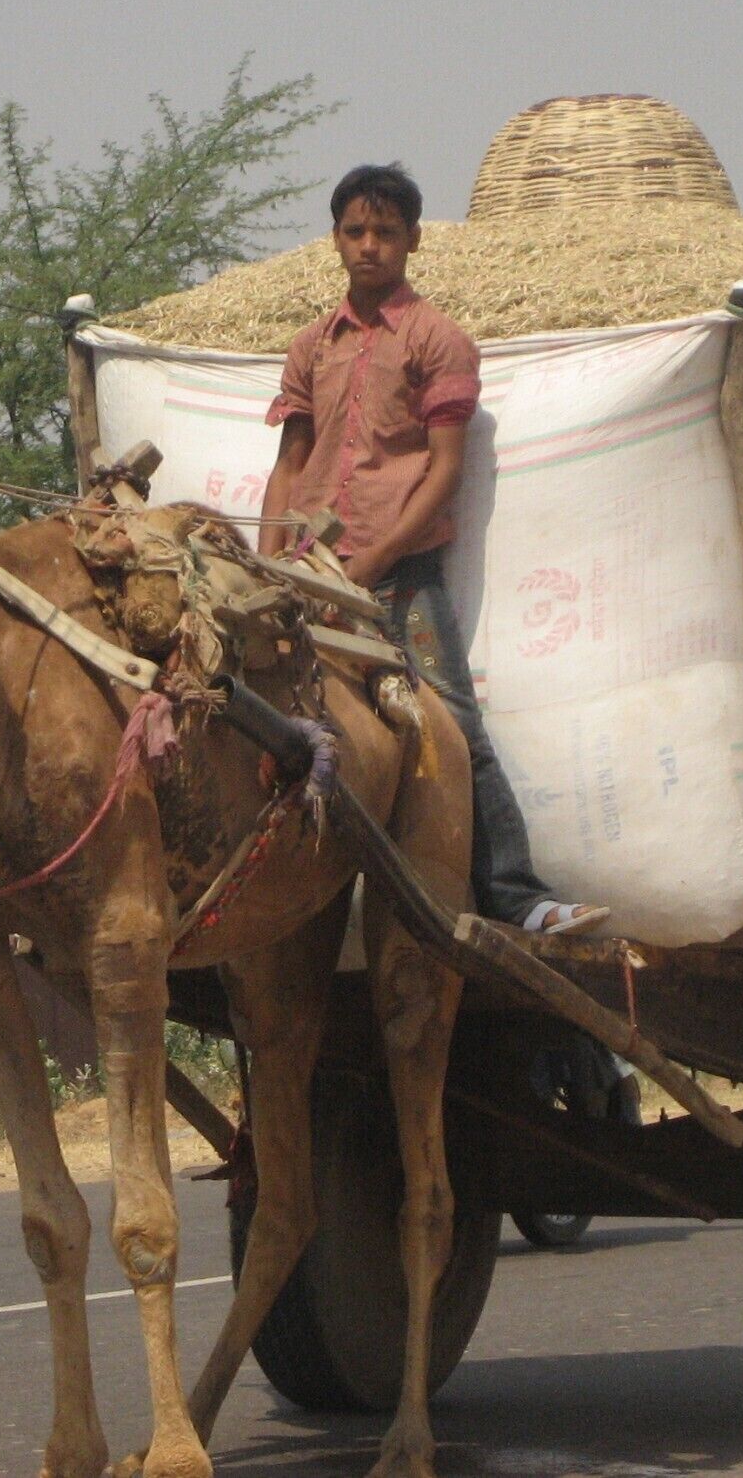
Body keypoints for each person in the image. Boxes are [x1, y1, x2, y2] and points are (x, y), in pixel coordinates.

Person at [261, 162, 607, 937]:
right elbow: (289, 466)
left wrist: (372, 564)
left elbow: (444, 470)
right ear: (336, 239)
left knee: (453, 731)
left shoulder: (437, 340)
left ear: (414, 240)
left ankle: (521, 898)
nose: (369, 246)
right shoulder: (311, 346)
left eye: (386, 232)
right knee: (271, 725)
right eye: (355, 232)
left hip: (398, 580)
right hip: (305, 577)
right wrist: (273, 560)